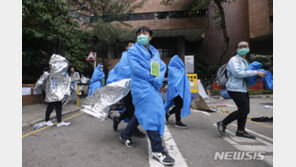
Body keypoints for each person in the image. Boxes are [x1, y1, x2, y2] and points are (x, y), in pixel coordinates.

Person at [120, 26, 175, 165]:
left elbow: (160, 67)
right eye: (139, 34)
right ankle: (157, 150)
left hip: (152, 86)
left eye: (145, 33)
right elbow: (136, 69)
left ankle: (125, 135)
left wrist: (157, 80)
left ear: (150, 37)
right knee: (151, 114)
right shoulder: (133, 51)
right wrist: (153, 77)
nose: (141, 36)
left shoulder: (154, 52)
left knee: (141, 113)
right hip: (141, 87)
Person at [216, 40, 267, 139]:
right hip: (234, 88)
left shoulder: (245, 62)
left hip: (243, 88)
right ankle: (223, 123)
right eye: (241, 47)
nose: (243, 48)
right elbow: (238, 73)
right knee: (244, 110)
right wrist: (256, 73)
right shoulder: (233, 60)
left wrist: (257, 77)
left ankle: (240, 130)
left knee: (244, 111)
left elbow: (246, 75)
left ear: (249, 48)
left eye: (245, 46)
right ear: (237, 49)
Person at [109, 40, 145, 138]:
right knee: (133, 109)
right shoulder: (125, 57)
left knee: (131, 109)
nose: (132, 47)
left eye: (134, 46)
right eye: (130, 46)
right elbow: (123, 71)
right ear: (126, 48)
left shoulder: (136, 57)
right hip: (127, 88)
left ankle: (118, 120)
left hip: (136, 87)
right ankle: (133, 130)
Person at [44, 54, 71, 127]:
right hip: (52, 94)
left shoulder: (60, 74)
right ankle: (47, 120)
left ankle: (59, 122)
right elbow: (45, 81)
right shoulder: (51, 74)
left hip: (58, 94)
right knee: (50, 107)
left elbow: (63, 83)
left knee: (58, 107)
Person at [165, 55, 191, 128]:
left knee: (180, 105)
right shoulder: (173, 70)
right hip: (175, 92)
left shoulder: (180, 70)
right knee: (179, 105)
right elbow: (176, 81)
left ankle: (168, 113)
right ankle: (178, 121)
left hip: (179, 91)